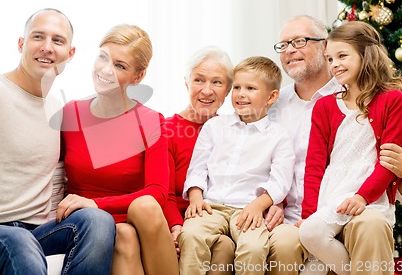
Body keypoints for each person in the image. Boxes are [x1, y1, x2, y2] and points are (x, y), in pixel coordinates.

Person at [0, 5, 116, 275]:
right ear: (21, 44)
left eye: (57, 40)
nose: (47, 47)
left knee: (98, 220)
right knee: (19, 240)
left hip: (37, 231)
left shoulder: (55, 108)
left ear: (70, 54)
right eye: (38, 37)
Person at [268, 14, 402, 275]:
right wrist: (309, 213)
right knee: (311, 236)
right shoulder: (324, 106)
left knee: (360, 228)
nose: (335, 64)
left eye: (342, 56)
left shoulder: (392, 100)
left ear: (365, 55)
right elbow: (314, 165)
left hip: (368, 200)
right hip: (329, 199)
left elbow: (388, 161)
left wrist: (362, 196)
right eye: (331, 59)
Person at [58, 24, 179, 275]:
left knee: (140, 211)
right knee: (123, 235)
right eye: (103, 58)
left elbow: (157, 192)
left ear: (138, 76)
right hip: (88, 220)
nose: (106, 70)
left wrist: (96, 203)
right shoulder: (71, 112)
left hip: (133, 215)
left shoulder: (151, 120)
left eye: (120, 66)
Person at [178, 56, 295, 275]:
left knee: (254, 247)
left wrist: (259, 205)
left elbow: (280, 181)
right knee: (191, 234)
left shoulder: (279, 136)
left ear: (271, 96)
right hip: (211, 206)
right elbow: (197, 168)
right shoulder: (214, 126)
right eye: (237, 87)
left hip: (248, 208)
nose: (241, 94)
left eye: (250, 88)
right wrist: (195, 196)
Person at [163, 46, 236, 274]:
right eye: (199, 80)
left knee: (225, 244)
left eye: (217, 82)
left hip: (221, 219)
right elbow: (161, 191)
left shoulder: (235, 132)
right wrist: (176, 226)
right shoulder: (167, 130)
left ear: (228, 90)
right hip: (180, 220)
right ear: (186, 84)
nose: (207, 91)